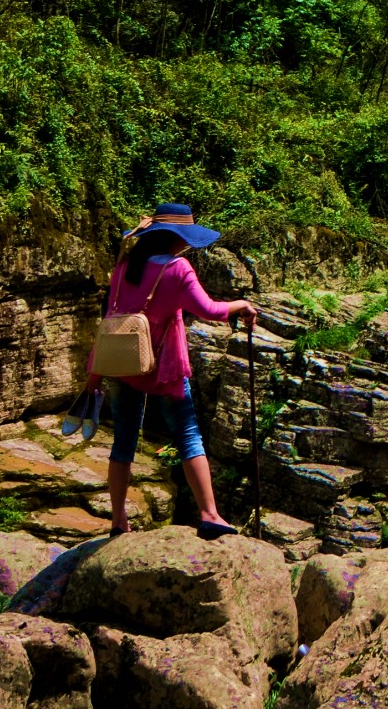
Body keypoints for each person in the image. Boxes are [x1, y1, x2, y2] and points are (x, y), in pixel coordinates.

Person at [82, 203, 258, 540]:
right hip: (164, 365)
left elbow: (111, 317)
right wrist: (241, 305)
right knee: (188, 436)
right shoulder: (178, 269)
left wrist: (94, 374)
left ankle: (118, 520)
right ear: (177, 238)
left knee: (123, 443)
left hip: (124, 361)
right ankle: (209, 514)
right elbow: (209, 310)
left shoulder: (124, 267)